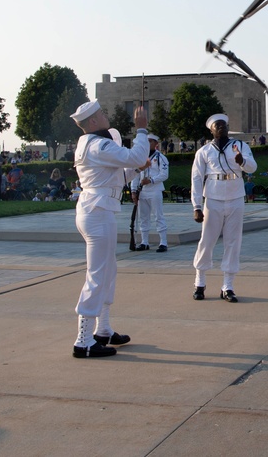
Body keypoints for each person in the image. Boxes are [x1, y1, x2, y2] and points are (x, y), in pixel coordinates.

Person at [70, 99, 149, 359]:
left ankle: (102, 330)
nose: (106, 116)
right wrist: (141, 129)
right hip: (98, 212)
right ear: (93, 122)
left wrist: (137, 167)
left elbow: (117, 176)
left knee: (107, 271)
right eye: (102, 114)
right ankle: (83, 341)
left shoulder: (89, 144)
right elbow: (135, 155)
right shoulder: (99, 144)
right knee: (97, 275)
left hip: (98, 208)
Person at [190, 114, 257, 302]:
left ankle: (227, 286)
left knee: (233, 241)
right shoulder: (204, 151)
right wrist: (196, 206)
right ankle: (200, 282)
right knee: (207, 240)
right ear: (211, 130)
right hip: (213, 198)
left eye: (224, 125)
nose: (222, 128)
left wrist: (242, 161)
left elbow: (252, 168)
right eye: (217, 126)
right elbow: (196, 179)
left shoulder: (240, 146)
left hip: (235, 196)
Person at [131, 134, 170, 252]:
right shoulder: (140, 158)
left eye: (150, 141)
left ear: (155, 143)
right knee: (143, 217)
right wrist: (133, 191)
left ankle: (163, 242)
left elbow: (164, 174)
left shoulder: (160, 157)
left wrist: (151, 180)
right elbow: (135, 175)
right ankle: (144, 242)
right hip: (142, 191)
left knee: (158, 216)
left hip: (155, 190)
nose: (148, 144)